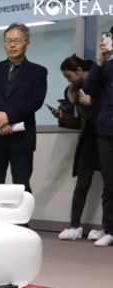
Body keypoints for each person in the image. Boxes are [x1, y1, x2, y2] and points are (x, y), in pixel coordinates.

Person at [0, 23, 47, 196]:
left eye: (17, 40)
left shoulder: (38, 72)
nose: (12, 45)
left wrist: (9, 116)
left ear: (27, 44)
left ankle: (21, 223)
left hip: (21, 135)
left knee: (21, 184)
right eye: (8, 41)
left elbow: (35, 101)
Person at [51, 55, 103, 241]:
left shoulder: (101, 82)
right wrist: (61, 117)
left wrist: (93, 103)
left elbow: (107, 106)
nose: (68, 81)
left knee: (109, 187)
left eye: (69, 76)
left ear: (80, 71)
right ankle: (74, 225)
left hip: (105, 137)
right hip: (88, 139)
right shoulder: (74, 91)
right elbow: (81, 122)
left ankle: (107, 228)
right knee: (82, 184)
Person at [84, 25, 113, 247]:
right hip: (106, 130)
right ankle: (109, 229)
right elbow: (89, 88)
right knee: (109, 183)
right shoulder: (106, 66)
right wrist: (101, 60)